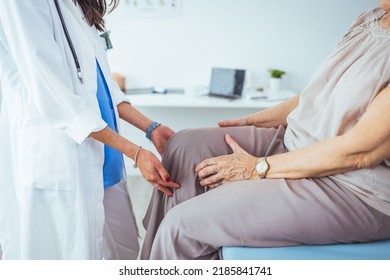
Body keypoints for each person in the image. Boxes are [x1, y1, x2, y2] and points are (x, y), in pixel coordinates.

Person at [140, 2, 390, 260]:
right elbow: (320, 92)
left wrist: (257, 167)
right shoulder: (370, 19)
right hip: (296, 143)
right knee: (185, 145)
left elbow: (359, 152)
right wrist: (255, 121)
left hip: (353, 187)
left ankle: (182, 243)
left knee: (183, 226)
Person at [0, 0, 179, 260]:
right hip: (63, 162)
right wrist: (136, 153)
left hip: (106, 162)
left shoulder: (75, 6)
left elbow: (102, 84)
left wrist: (151, 128)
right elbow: (57, 96)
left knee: (125, 253)